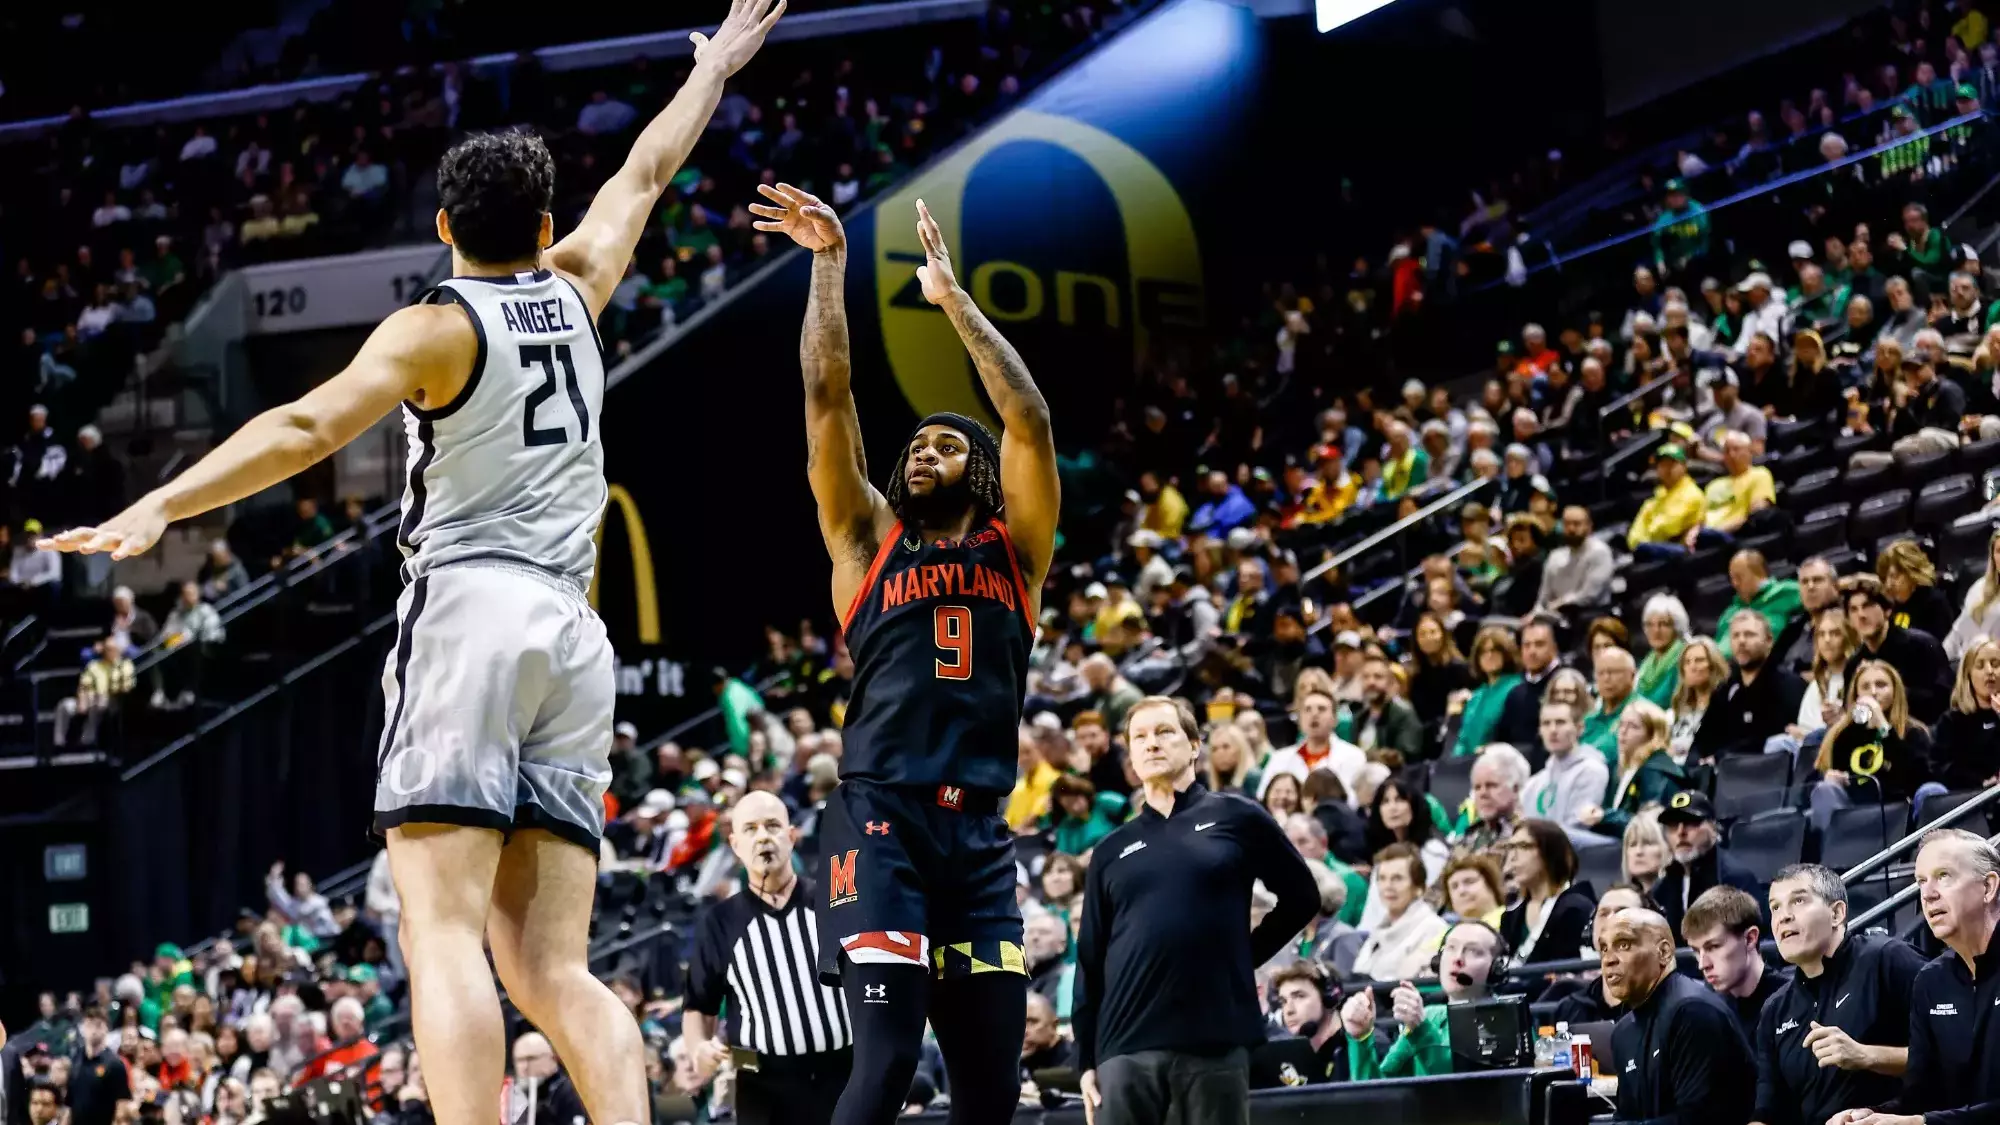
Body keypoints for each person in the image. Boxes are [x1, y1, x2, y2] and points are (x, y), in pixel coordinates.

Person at [34, 9, 791, 1125]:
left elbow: (301, 430)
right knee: (552, 969)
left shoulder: (436, 327)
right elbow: (648, 166)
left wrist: (162, 501)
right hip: (574, 638)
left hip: (470, 612)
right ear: (542, 222)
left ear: (442, 226)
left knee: (441, 935)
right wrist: (714, 66)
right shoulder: (578, 281)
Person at [754, 180, 1062, 1124]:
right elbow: (824, 395)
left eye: (944, 444)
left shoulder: (1019, 551)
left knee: (991, 1089)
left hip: (978, 832)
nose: (923, 452)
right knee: (886, 1063)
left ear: (979, 470)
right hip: (880, 817)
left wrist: (953, 300)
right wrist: (828, 264)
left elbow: (1029, 423)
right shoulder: (865, 544)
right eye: (915, 446)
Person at [1073, 697, 1317, 1125]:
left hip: (1215, 1038)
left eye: (1164, 732)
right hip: (1123, 1045)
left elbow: (1302, 898)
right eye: (1140, 737)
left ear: (1193, 746)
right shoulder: (1110, 851)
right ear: (1130, 755)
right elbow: (1090, 961)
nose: (1151, 744)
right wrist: (1085, 1061)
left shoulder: (1237, 816)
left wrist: (1243, 956)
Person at [683, 791, 851, 1125]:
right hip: (761, 1085)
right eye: (751, 829)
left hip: (844, 1075)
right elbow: (698, 1006)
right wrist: (698, 1048)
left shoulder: (834, 902)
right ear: (735, 845)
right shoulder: (719, 922)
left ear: (791, 836)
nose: (763, 837)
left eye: (773, 826)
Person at [1827, 830, 2000, 1125]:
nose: (1928, 894)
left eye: (1944, 876)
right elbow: (1920, 1096)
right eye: (1921, 881)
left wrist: (1918, 1123)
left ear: (1988, 887)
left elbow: (1923, 1118)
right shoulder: (1932, 980)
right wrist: (1873, 1116)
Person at [1754, 863, 1927, 1125]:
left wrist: (1866, 1056)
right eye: (1775, 907)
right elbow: (1768, 1110)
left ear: (1836, 913)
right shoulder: (1775, 1009)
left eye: (1798, 900)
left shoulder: (1888, 959)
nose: (1783, 917)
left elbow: (1952, 1055)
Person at [1598, 908, 1756, 1124]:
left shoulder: (1692, 1011)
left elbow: (1697, 1121)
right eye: (1604, 949)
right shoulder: (1623, 1032)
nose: (1608, 960)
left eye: (1624, 945)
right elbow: (1626, 1116)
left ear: (1663, 952)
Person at [1339, 921, 1509, 1078]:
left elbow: (1460, 1090)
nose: (1457, 959)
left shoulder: (1507, 1018)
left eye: (1473, 951)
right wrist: (1361, 1040)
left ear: (1496, 968)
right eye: (1451, 947)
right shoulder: (1430, 1016)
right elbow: (1378, 1093)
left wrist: (1420, 1029)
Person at [1810, 660, 1944, 830]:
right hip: (1854, 813)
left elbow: (1920, 777)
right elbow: (1809, 784)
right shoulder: (1842, 735)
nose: (1873, 692)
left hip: (1901, 812)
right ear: (1856, 695)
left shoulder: (1913, 732)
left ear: (1896, 691)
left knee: (1932, 790)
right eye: (1865, 687)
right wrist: (1828, 777)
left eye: (1881, 685)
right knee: (1825, 789)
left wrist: (1884, 728)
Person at [1691, 612, 1805, 762]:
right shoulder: (1725, 690)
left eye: (1749, 635)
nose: (1741, 641)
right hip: (1725, 774)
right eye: (1736, 636)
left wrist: (1721, 756)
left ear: (1769, 640)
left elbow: (1775, 738)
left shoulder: (1790, 685)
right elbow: (1703, 739)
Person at [1680, 886, 1785, 1043]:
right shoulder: (1703, 1008)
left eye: (1713, 947)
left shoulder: (1789, 1001)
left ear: (1750, 938)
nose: (1702, 964)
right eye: (1696, 951)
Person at [1654, 792, 1763, 939]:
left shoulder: (1734, 877)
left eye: (1691, 822)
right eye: (1673, 825)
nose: (1681, 832)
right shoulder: (1663, 886)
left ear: (1713, 827)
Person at [1843, 574, 1951, 721]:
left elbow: (1943, 701)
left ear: (1887, 610)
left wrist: (1893, 693)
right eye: (1853, 609)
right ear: (1849, 620)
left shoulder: (1922, 645)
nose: (1861, 615)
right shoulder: (1854, 664)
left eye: (1868, 606)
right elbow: (1855, 714)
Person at [1499, 818, 1596, 965]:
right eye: (1510, 848)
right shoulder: (1510, 916)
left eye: (1523, 846)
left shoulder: (1577, 909)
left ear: (1551, 852)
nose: (1513, 857)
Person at [1585, 698, 1685, 836]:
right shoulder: (1621, 767)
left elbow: (1650, 823)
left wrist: (1605, 817)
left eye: (1633, 726)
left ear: (1653, 735)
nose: (1623, 731)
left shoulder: (1656, 771)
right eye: (1621, 724)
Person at [1351, 842, 1448, 981]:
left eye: (1397, 878)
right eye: (1382, 878)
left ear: (1419, 888)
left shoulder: (1433, 928)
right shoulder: (1377, 932)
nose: (1388, 886)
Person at [1519, 700, 1609, 831]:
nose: (1553, 730)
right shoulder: (1533, 783)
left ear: (1579, 728)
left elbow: (1578, 828)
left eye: (1560, 722)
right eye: (1546, 723)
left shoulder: (1591, 771)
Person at [1451, 627, 1523, 757]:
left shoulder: (1517, 688)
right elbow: (1463, 739)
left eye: (1494, 650)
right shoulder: (1476, 697)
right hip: (1467, 766)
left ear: (1506, 653)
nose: (1489, 656)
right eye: (1483, 652)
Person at [1877, 539, 1954, 645]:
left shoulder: (1934, 604)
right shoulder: (1888, 606)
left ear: (1911, 573)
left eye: (1894, 577)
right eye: (1885, 578)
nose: (1889, 584)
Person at [1943, 529, 2000, 664]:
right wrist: (1939, 659)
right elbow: (1958, 633)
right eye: (1999, 551)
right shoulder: (1979, 588)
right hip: (1967, 665)